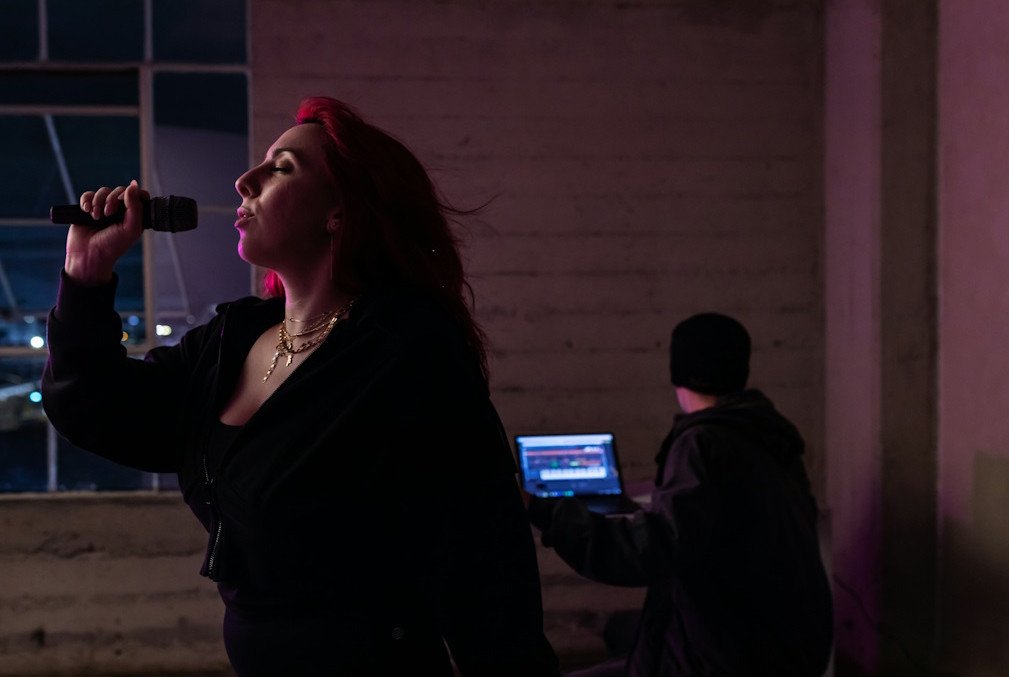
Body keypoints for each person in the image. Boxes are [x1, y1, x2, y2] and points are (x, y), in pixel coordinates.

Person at [41, 96, 559, 677]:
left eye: (281, 167)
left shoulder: (403, 351)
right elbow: (93, 407)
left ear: (339, 212)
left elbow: (484, 566)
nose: (244, 181)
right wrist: (86, 279)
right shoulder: (230, 340)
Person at [526, 313, 834, 676]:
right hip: (785, 649)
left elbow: (648, 552)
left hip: (730, 659)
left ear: (678, 372)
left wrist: (547, 511)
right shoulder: (767, 436)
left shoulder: (703, 442)